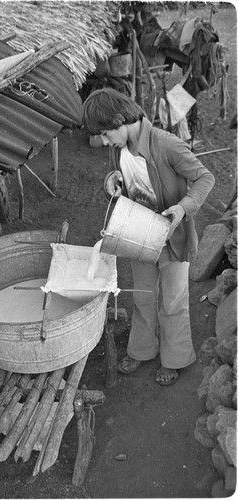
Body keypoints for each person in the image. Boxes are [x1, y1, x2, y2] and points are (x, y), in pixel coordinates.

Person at [82, 88, 215, 386]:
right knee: (143, 296)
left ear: (119, 121)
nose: (105, 141)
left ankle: (176, 357)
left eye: (105, 134)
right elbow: (119, 174)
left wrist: (182, 209)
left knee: (173, 301)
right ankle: (142, 350)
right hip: (138, 234)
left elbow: (206, 177)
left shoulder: (166, 145)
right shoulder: (118, 148)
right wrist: (111, 179)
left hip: (173, 237)